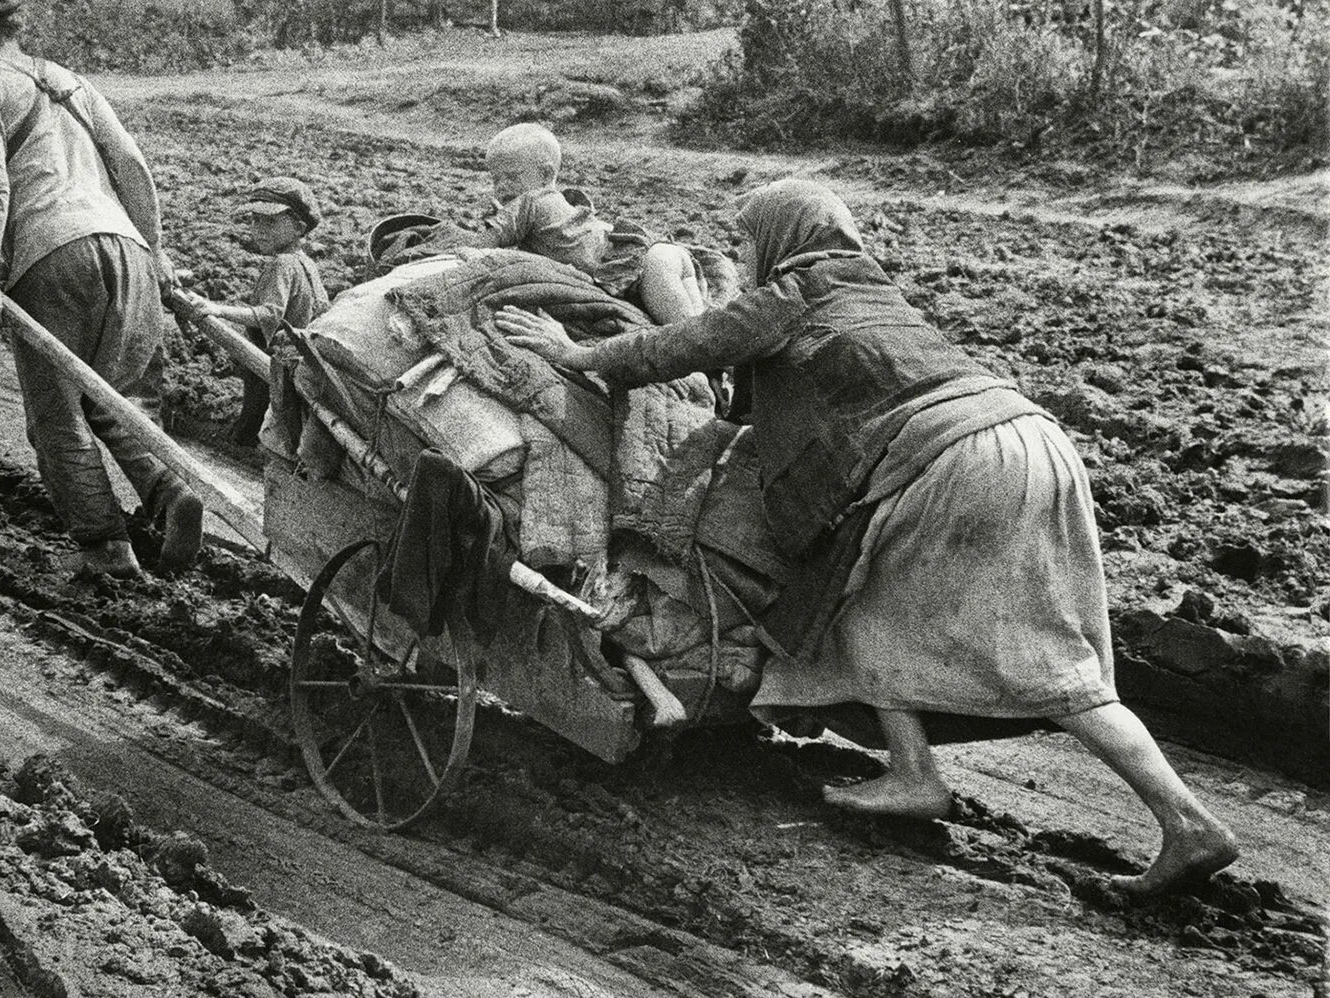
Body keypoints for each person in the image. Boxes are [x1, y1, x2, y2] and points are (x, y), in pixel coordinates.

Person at [495, 179, 1238, 896]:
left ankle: (1186, 820)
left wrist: (576, 354)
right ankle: (916, 772)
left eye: (747, 240)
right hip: (1030, 437)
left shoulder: (797, 290)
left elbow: (684, 346)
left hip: (959, 458)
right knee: (866, 598)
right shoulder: (870, 286)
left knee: (1044, 664)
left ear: (780, 240)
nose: (743, 255)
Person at [0, 0, 203, 579]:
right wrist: (155, 250)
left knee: (56, 414)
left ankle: (106, 551)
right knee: (119, 395)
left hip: (51, 253)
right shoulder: (70, 81)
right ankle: (166, 490)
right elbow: (132, 165)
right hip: (126, 247)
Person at [481, 123, 705, 325]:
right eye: (495, 179)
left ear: (545, 174)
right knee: (699, 327)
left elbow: (483, 246)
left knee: (685, 333)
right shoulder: (555, 203)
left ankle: (706, 359)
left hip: (650, 262)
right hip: (662, 257)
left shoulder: (529, 202)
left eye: (511, 177)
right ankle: (715, 364)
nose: (501, 187)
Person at [192, 177, 329, 448]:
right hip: (300, 357)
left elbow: (269, 314)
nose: (259, 229)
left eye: (271, 222)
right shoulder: (306, 263)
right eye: (255, 220)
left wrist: (217, 309)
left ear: (299, 228)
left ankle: (240, 447)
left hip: (275, 357)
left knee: (256, 409)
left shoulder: (282, 264)